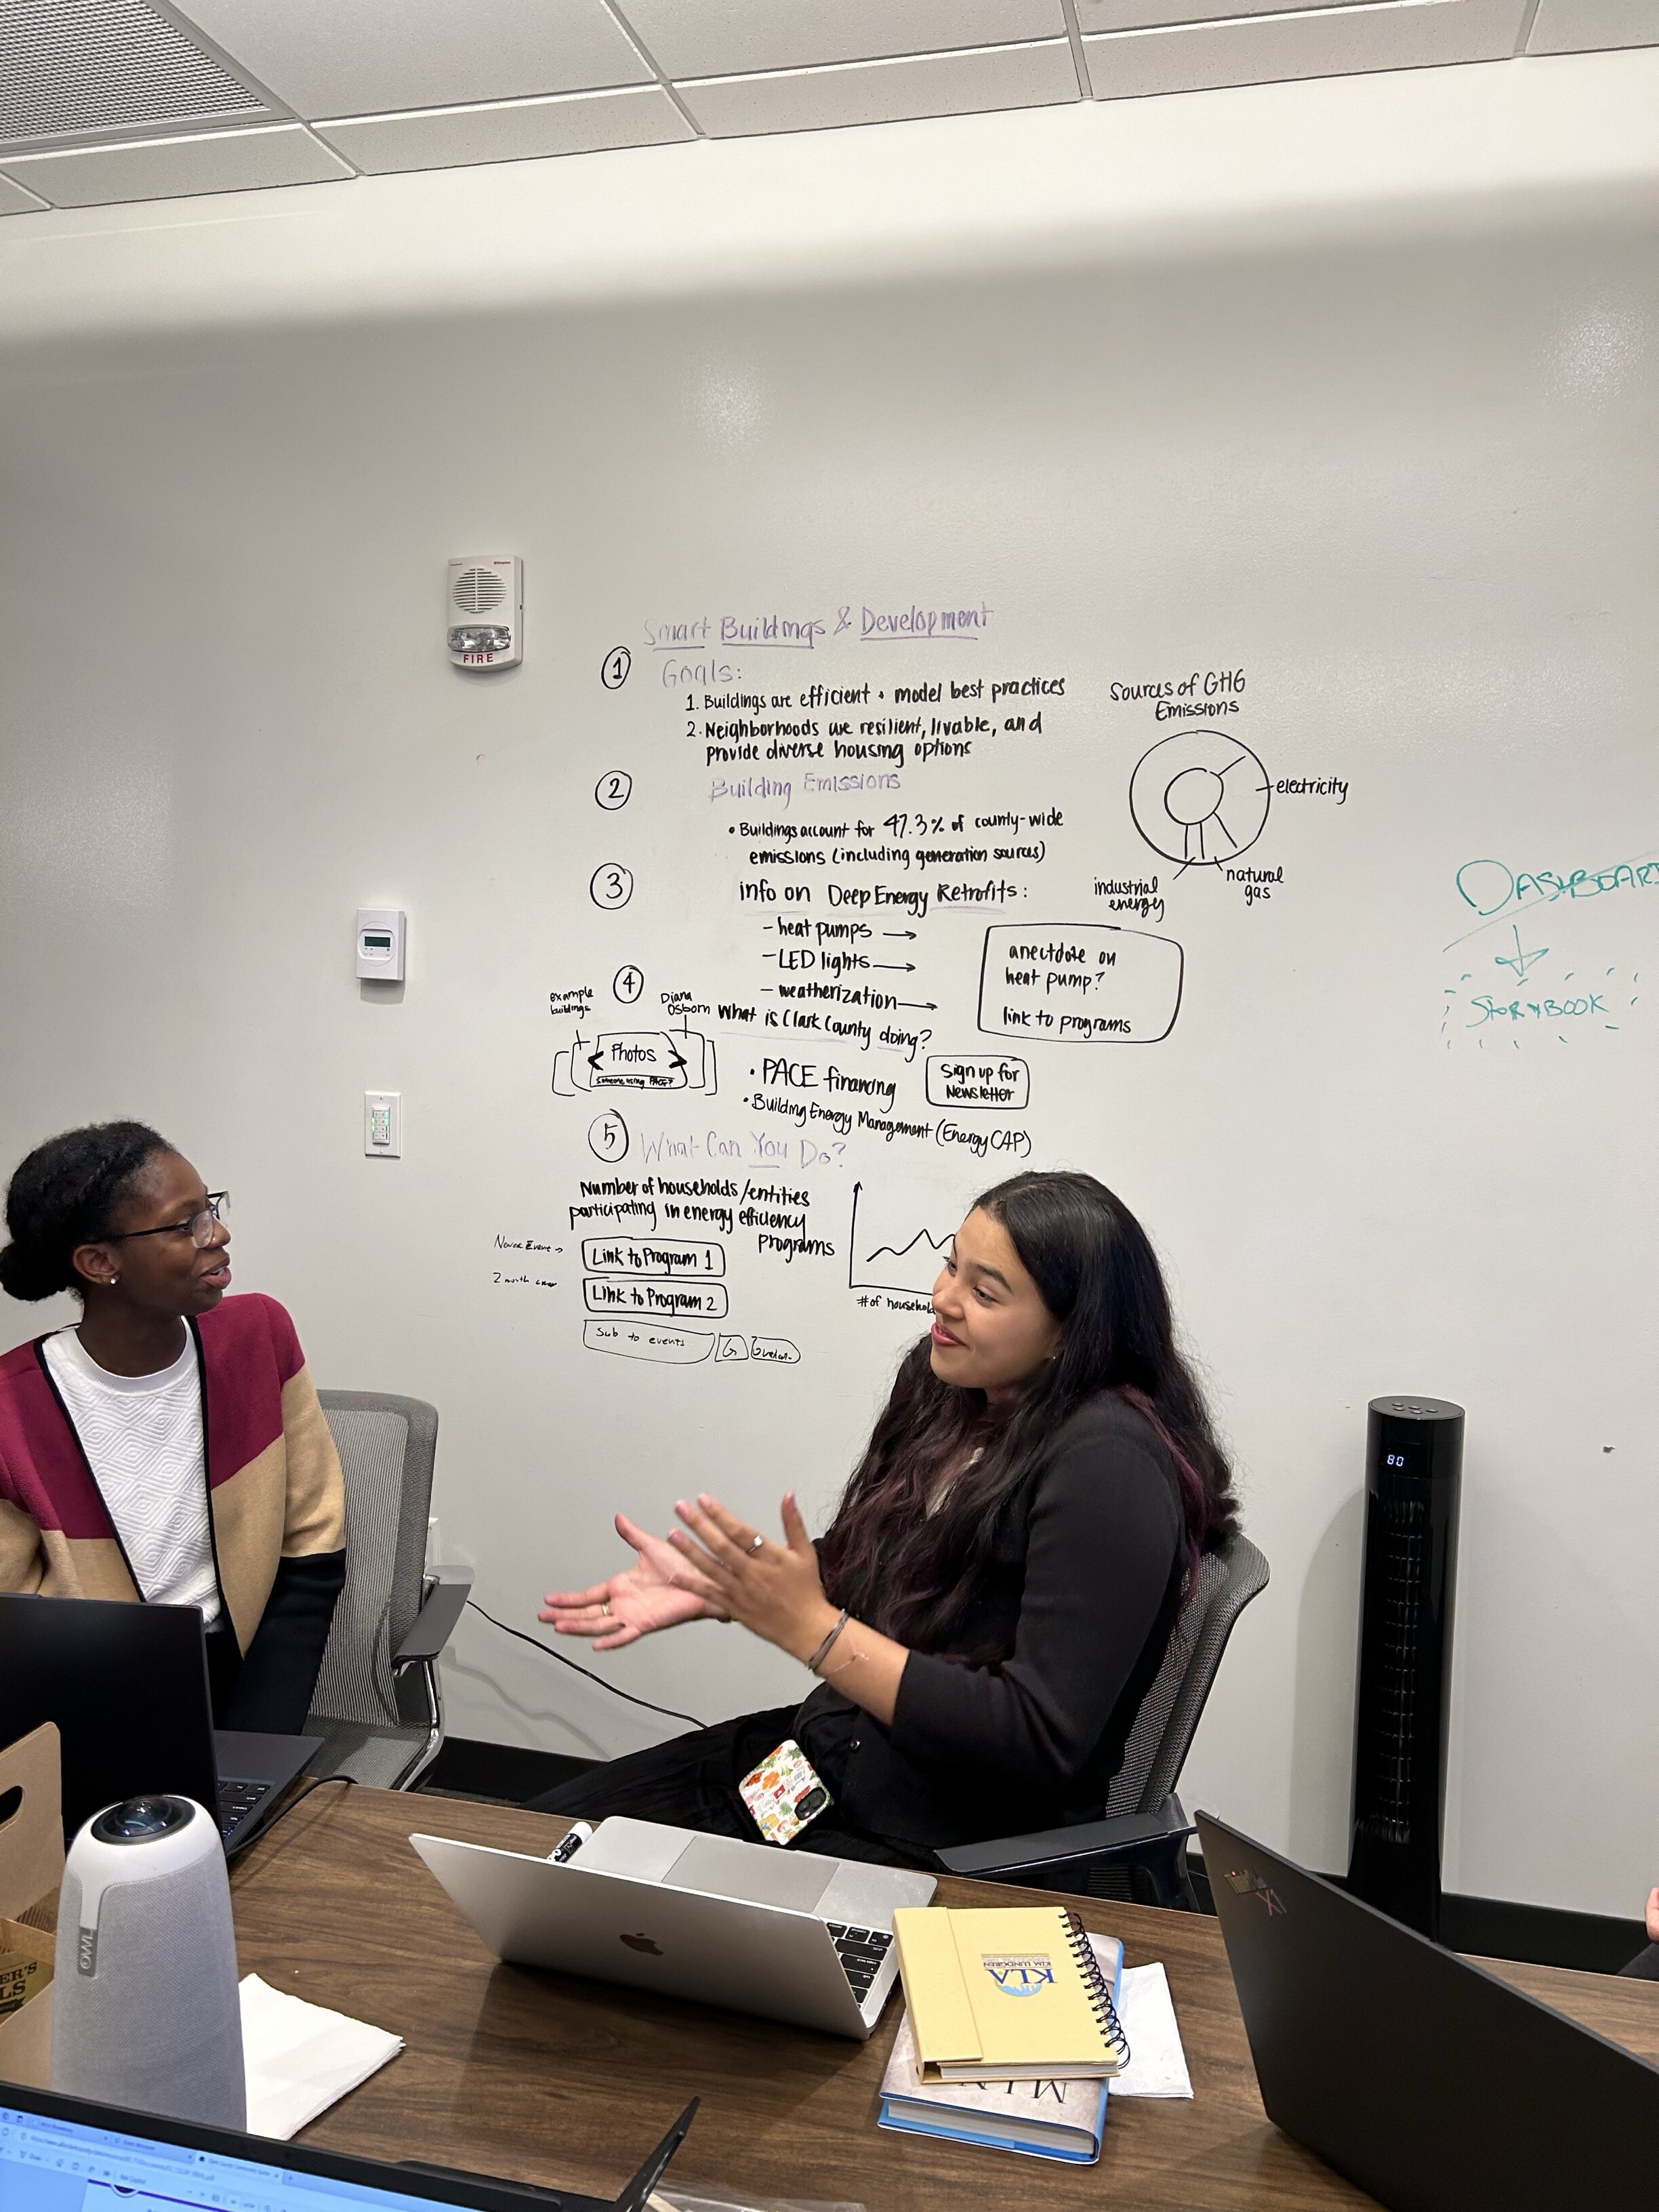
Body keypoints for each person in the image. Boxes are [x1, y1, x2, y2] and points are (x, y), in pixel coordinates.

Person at [531, 1169, 1238, 1865]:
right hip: (826, 1768)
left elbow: (1039, 1738)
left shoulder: (1108, 1465)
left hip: (942, 1839)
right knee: (538, 1846)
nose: (944, 1300)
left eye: (984, 1292)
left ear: (1069, 1334)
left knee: (600, 1913)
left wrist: (812, 1631)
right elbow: (887, 1558)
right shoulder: (951, 1387)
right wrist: (728, 1586)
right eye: (950, 1267)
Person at [0, 1121, 346, 1734]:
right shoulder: (12, 1409)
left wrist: (255, 1742)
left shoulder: (258, 1337)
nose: (219, 1234)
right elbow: (20, 1622)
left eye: (210, 1209)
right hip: (87, 1699)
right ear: (99, 1261)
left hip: (241, 1678)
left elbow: (313, 1550)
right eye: (186, 1224)